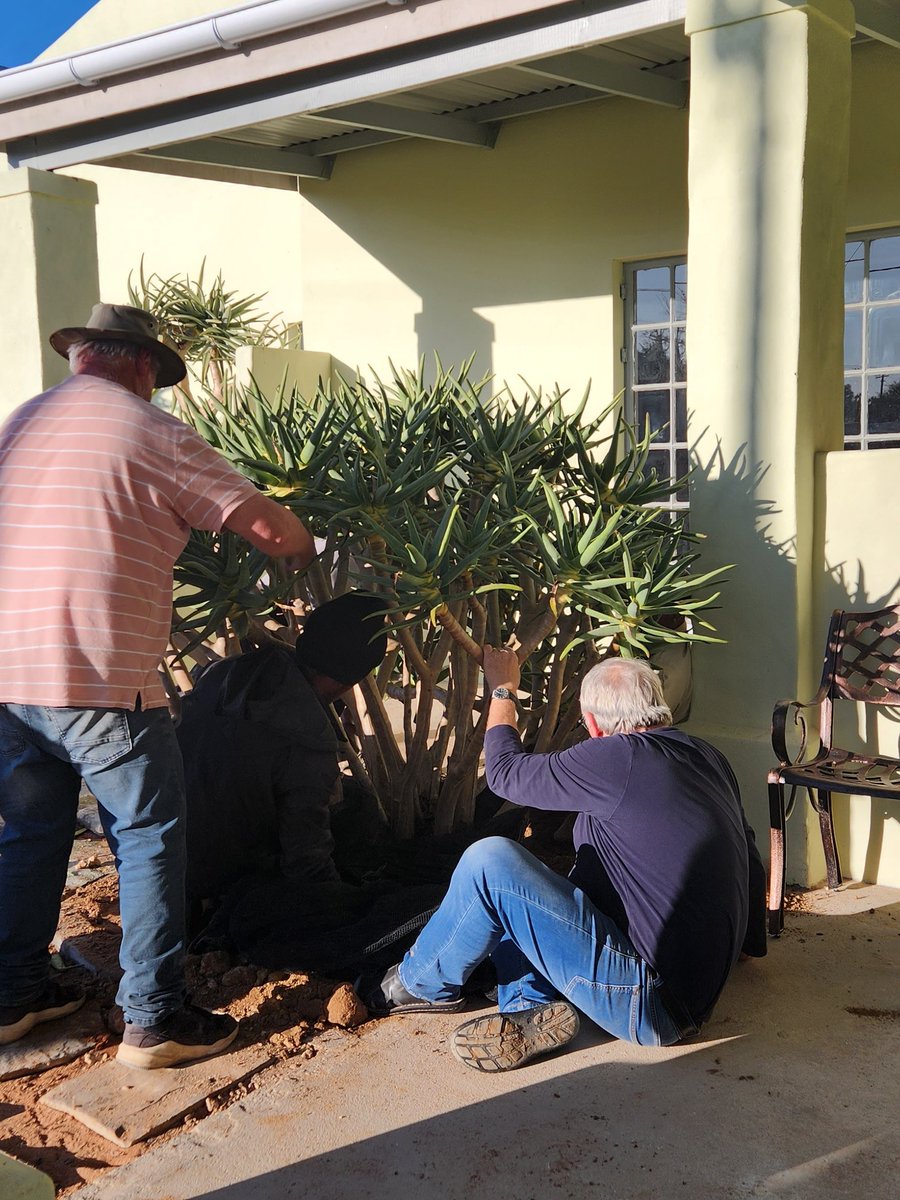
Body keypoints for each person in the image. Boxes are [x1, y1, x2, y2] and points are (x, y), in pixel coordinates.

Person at [0, 304, 315, 1069]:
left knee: (30, 832)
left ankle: (13, 997)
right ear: (143, 366)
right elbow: (272, 533)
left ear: (81, 357)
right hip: (103, 676)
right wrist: (308, 545)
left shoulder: (21, 422)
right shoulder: (155, 432)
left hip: (10, 671)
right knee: (147, 839)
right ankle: (154, 1018)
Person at [362, 647, 767, 1073]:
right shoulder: (707, 757)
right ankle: (529, 1008)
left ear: (592, 724)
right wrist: (748, 944)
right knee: (542, 887)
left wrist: (503, 688)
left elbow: (503, 774)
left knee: (491, 862)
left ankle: (416, 984)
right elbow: (747, 850)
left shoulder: (616, 755)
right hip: (688, 993)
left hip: (648, 1003)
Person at [178, 591, 388, 910]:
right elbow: (306, 861)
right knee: (358, 810)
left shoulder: (224, 672)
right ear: (354, 679)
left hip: (160, 850)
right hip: (216, 876)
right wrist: (341, 904)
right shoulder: (310, 745)